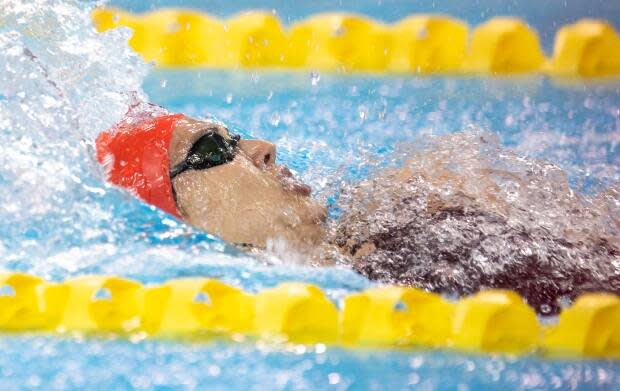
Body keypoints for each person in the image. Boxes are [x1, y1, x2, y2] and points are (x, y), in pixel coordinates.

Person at [96, 109, 620, 314]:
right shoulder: (362, 301)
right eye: (213, 148)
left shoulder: (393, 215)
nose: (262, 146)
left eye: (235, 135)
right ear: (177, 222)